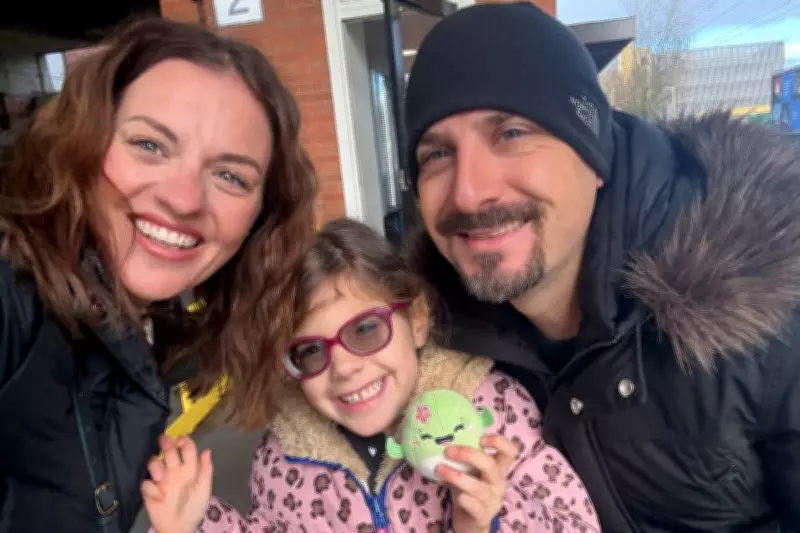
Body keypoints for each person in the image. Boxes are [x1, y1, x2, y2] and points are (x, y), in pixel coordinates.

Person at [404, 3, 800, 532]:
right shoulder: (423, 349)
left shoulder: (769, 312)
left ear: (594, 156)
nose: (469, 192)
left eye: (512, 133)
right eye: (436, 155)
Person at [0, 17, 316, 533]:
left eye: (230, 176)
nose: (184, 199)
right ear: (84, 143)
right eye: (149, 145)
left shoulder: (139, 338)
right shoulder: (12, 298)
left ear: (260, 218)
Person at [139, 218, 600, 533]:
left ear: (416, 319)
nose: (343, 368)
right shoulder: (284, 457)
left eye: (364, 330)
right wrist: (193, 523)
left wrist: (483, 524)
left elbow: (574, 521)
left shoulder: (490, 413)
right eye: (309, 351)